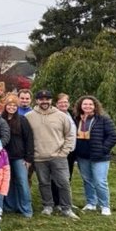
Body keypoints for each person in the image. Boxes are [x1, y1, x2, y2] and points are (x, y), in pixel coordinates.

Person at [25, 89, 78, 219]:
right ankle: (47, 206)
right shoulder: (29, 117)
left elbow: (70, 135)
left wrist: (64, 152)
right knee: (44, 183)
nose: (44, 101)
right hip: (39, 157)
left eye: (47, 99)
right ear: (37, 101)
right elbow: (25, 137)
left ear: (51, 100)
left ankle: (66, 208)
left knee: (64, 182)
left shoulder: (61, 116)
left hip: (58, 156)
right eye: (41, 99)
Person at [74, 95, 116, 216]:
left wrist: (103, 149)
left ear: (95, 106)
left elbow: (113, 136)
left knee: (100, 181)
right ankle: (91, 203)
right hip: (82, 156)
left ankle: (105, 205)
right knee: (87, 180)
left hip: (99, 156)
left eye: (90, 104)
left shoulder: (103, 119)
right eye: (85, 104)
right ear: (80, 106)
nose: (87, 106)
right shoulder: (76, 118)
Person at [1, 93, 35, 218]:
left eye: (14, 105)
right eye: (9, 105)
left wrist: (28, 157)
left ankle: (26, 208)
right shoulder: (1, 119)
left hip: (19, 156)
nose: (11, 107)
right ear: (5, 106)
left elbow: (29, 139)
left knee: (22, 181)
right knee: (8, 182)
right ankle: (10, 206)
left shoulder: (22, 120)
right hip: (4, 156)